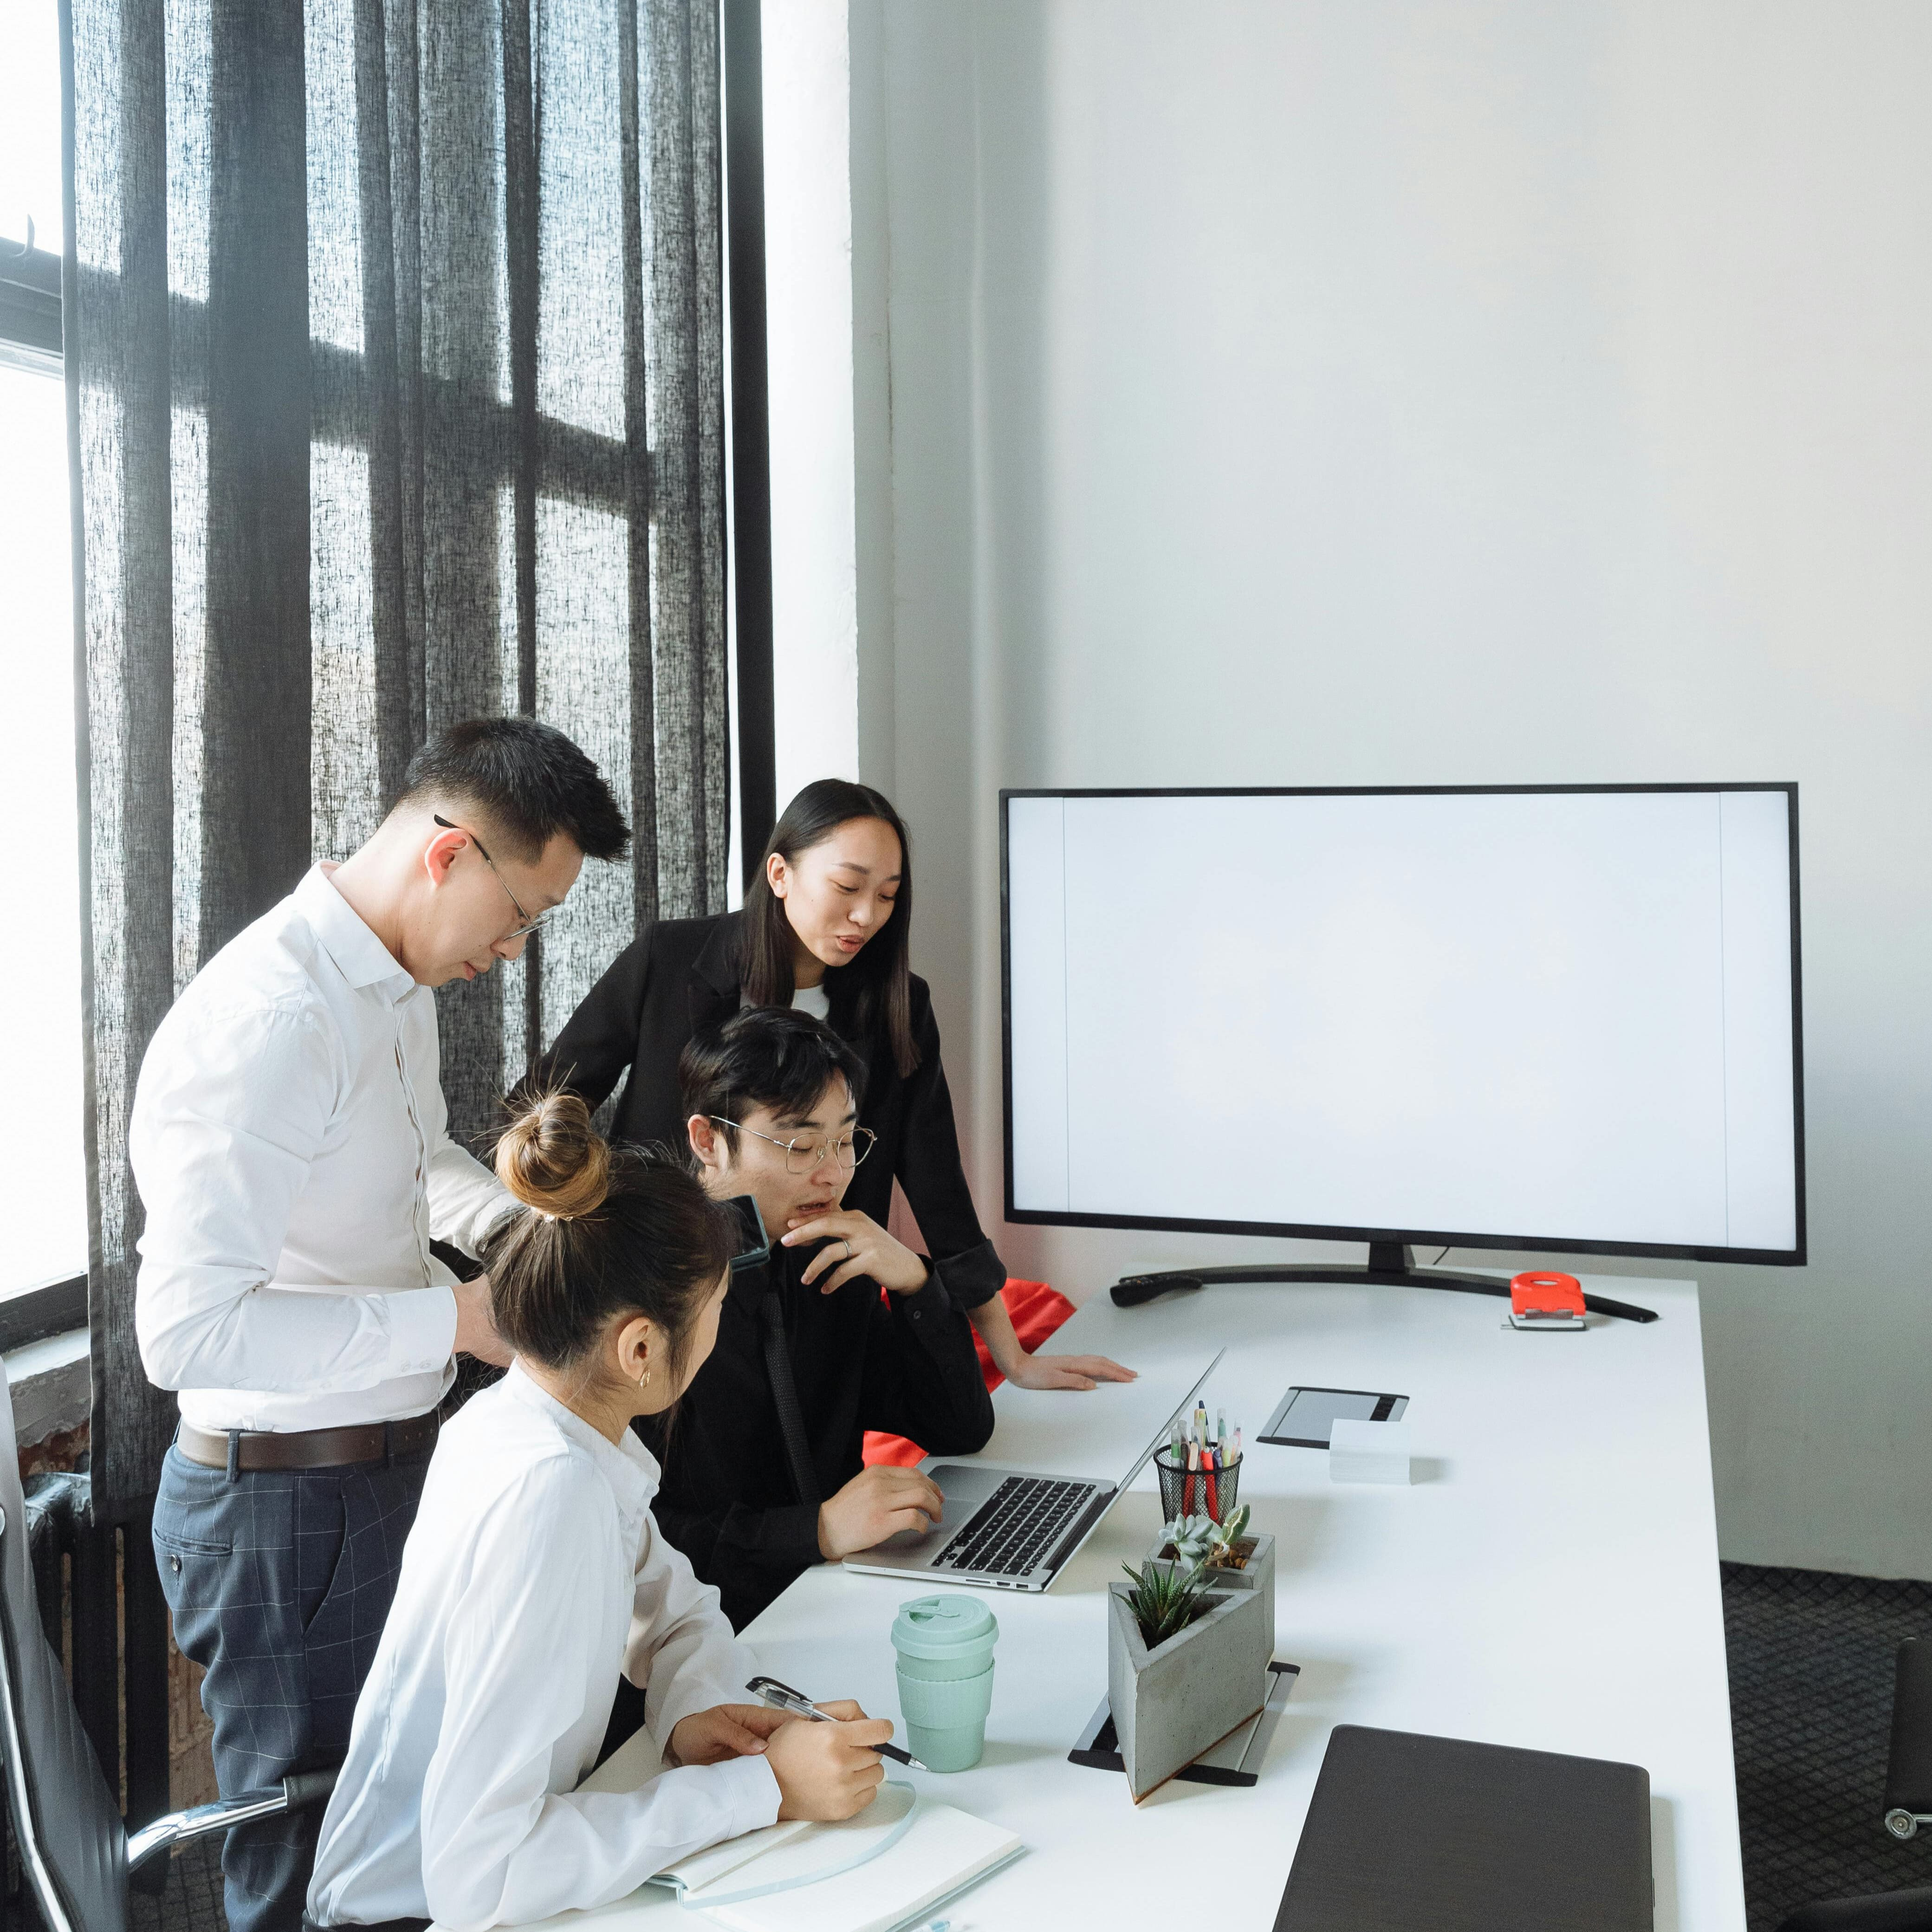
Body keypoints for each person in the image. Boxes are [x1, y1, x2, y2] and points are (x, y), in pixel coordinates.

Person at [133, 718, 630, 1932]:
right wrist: (453, 1322)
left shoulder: (392, 990)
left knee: (407, 1851)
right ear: (449, 855)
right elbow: (186, 1337)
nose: (513, 953)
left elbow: (424, 1162)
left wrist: (508, 1223)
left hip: (374, 1480)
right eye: (520, 914)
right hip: (283, 1512)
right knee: (318, 1885)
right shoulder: (273, 1019)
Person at [306, 1095, 891, 1932]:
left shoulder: (550, 1426)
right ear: (643, 1349)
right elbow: (483, 1875)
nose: (719, 1333)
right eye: (717, 1313)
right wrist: (759, 1787)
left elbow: (675, 1605)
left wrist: (695, 1709)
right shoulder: (550, 1491)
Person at [531, 778, 1131, 1392]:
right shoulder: (671, 958)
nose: (865, 915)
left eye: (887, 896)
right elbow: (549, 1103)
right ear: (780, 873)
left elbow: (936, 1180)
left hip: (820, 1311)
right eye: (846, 887)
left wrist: (1014, 1357)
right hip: (662, 1305)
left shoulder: (897, 1006)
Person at [634, 1006, 995, 1631]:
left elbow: (960, 1427)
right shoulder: (644, 1289)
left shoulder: (828, 1255)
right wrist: (817, 1529)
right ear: (706, 1141)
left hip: (842, 1602)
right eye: (800, 1146)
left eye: (846, 1139)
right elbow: (637, 1540)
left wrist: (914, 1280)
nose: (833, 1173)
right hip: (705, 1638)